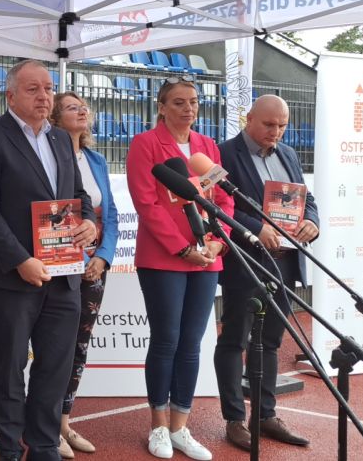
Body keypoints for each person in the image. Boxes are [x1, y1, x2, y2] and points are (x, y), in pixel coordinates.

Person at [0, 61, 98, 461]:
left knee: (54, 367)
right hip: (12, 278)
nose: (44, 97)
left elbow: (79, 196)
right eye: (33, 89)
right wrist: (21, 260)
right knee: (10, 368)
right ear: (10, 96)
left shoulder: (60, 139)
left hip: (63, 276)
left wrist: (88, 223)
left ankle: (42, 448)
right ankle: (8, 449)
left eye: (49, 89)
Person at [125, 75, 234, 460]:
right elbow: (147, 204)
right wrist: (183, 247)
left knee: (191, 343)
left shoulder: (207, 147)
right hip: (164, 259)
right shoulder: (145, 144)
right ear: (161, 106)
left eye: (193, 101)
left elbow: (222, 198)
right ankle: (157, 425)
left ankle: (180, 427)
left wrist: (218, 241)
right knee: (167, 339)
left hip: (207, 258)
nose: (188, 108)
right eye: (178, 102)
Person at [214, 95, 318, 451]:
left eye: (282, 125)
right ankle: (234, 420)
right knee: (235, 340)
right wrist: (253, 227)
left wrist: (311, 224)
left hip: (285, 261)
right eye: (269, 125)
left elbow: (308, 201)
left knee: (271, 341)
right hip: (245, 262)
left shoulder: (288, 155)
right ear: (249, 118)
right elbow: (215, 207)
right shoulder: (223, 153)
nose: (276, 132)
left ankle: (266, 415)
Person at [49, 92, 120, 458]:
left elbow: (111, 213)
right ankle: (46, 426)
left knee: (80, 346)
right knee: (55, 348)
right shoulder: (49, 154)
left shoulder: (95, 159)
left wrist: (104, 257)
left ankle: (63, 422)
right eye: (72, 107)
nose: (83, 111)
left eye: (84, 107)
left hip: (94, 267)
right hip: (60, 265)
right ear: (56, 118)